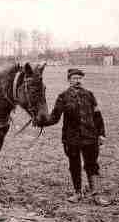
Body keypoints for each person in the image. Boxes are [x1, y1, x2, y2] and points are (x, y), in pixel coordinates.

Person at [42, 68, 109, 205]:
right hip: (71, 138)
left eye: (79, 78)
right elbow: (55, 117)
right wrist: (41, 121)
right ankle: (77, 193)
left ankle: (96, 194)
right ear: (69, 80)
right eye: (74, 78)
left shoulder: (89, 95)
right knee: (74, 165)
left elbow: (97, 116)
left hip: (90, 137)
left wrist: (101, 133)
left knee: (92, 165)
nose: (77, 81)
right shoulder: (63, 97)